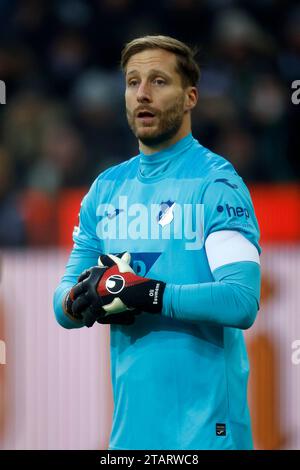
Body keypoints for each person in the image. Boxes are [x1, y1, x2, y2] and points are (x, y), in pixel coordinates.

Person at [53, 35, 261, 450]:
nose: (142, 93)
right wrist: (82, 296)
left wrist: (144, 294)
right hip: (131, 437)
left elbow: (240, 300)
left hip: (209, 435)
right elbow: (62, 303)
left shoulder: (216, 184)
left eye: (159, 81)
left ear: (190, 97)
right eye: (132, 82)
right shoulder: (106, 189)